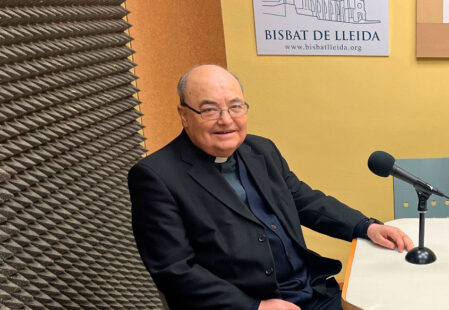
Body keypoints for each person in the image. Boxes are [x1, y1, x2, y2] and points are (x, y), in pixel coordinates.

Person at [128, 64, 413, 310]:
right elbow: (173, 270)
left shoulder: (261, 150)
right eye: (209, 110)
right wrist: (254, 306)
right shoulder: (156, 177)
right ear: (184, 115)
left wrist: (366, 227)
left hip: (310, 291)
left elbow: (304, 200)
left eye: (235, 106)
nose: (226, 119)